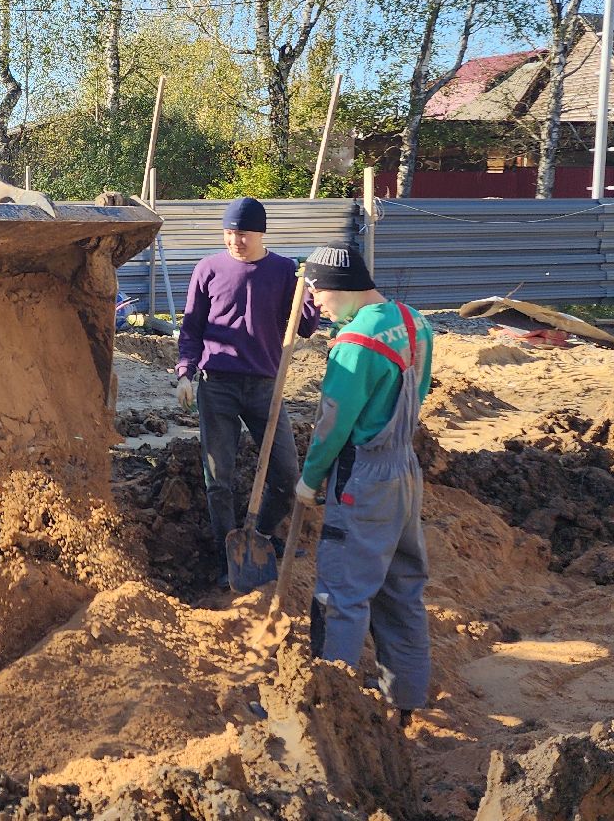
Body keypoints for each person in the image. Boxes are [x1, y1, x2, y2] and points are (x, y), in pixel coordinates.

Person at [295, 244, 434, 724]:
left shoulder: (354, 345)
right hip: (404, 471)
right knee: (401, 589)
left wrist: (310, 480)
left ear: (341, 288)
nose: (318, 306)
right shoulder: (413, 320)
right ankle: (405, 699)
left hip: (363, 476)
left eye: (319, 295)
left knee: (341, 595)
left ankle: (324, 709)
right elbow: (421, 389)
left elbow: (331, 424)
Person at [175, 197, 318, 590]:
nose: (235, 240)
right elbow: (191, 329)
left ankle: (262, 538)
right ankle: (229, 555)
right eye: (230, 232)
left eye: (243, 233)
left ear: (261, 233)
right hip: (216, 385)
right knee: (218, 478)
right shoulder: (207, 269)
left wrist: (307, 291)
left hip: (263, 387)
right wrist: (185, 373)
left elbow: (304, 327)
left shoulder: (284, 271)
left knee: (287, 474)